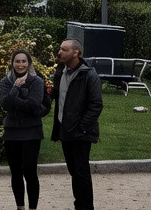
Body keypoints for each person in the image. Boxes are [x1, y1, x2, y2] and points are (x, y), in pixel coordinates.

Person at [50, 38, 102, 210]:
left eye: (64, 50)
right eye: (60, 49)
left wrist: (81, 128)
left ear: (76, 52)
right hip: (66, 131)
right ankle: (79, 204)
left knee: (81, 172)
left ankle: (86, 207)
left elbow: (95, 106)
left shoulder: (88, 75)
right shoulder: (61, 71)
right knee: (74, 171)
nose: (59, 52)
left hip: (80, 133)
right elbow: (57, 96)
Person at [0, 49, 49, 210]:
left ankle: (32, 207)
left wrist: (15, 100)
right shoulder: (6, 82)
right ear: (12, 63)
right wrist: (16, 88)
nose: (20, 64)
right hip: (12, 132)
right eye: (17, 61)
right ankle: (20, 206)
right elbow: (5, 104)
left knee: (30, 171)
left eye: (23, 61)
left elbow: (34, 105)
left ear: (29, 63)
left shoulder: (36, 81)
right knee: (16, 172)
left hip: (31, 132)